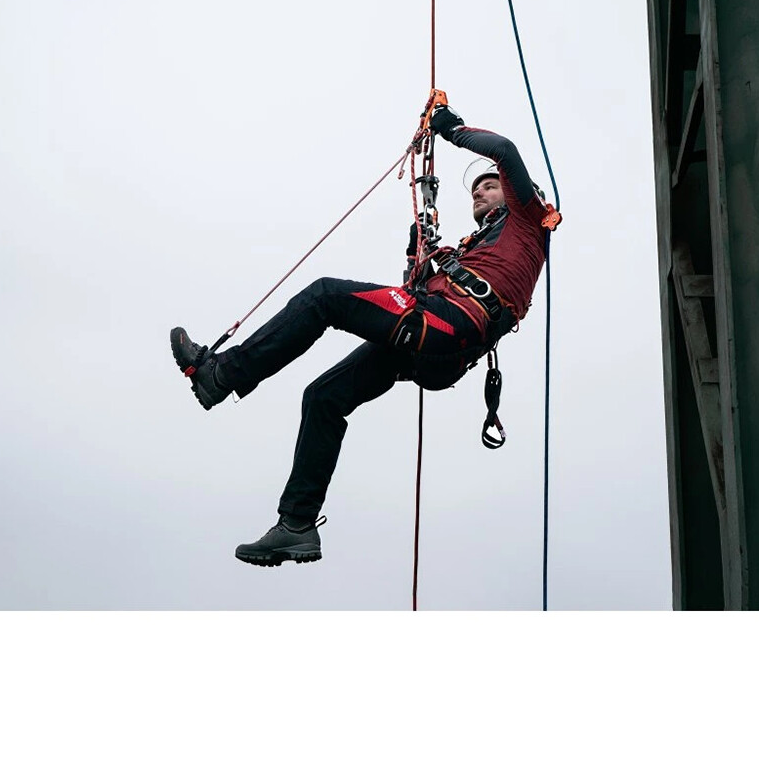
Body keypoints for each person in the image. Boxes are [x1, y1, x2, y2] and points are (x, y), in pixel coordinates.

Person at [170, 104, 552, 566]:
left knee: (325, 296)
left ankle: (221, 375)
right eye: (475, 188)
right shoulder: (473, 252)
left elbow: (504, 150)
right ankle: (297, 524)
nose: (479, 192)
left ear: (516, 191)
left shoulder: (530, 217)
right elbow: (410, 297)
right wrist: (417, 255)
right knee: (323, 397)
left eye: (489, 186)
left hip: (452, 325)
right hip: (438, 337)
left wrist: (450, 129)